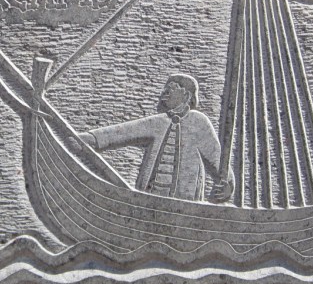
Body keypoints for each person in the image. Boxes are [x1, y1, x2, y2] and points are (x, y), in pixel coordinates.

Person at [78, 74, 234, 203]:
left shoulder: (198, 122)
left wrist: (228, 185)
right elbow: (124, 131)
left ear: (186, 95)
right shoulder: (159, 122)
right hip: (150, 198)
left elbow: (217, 159)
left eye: (172, 88)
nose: (164, 92)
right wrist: (91, 139)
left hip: (185, 204)